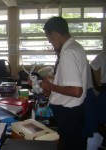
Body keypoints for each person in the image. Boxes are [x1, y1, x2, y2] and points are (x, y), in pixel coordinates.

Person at [41, 16, 93, 150]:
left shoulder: (68, 52)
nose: (50, 42)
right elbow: (75, 78)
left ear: (54, 34)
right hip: (76, 110)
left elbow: (76, 90)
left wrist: (50, 86)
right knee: (77, 143)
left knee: (72, 145)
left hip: (68, 112)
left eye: (49, 38)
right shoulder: (76, 47)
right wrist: (55, 80)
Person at [90, 50, 106, 149]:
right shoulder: (103, 55)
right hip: (105, 88)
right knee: (98, 118)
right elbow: (91, 67)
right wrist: (95, 84)